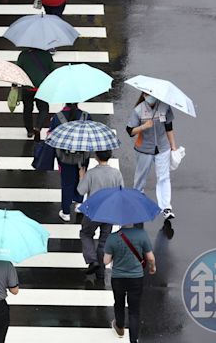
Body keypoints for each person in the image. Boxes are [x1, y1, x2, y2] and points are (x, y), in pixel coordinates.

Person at [126, 92, 177, 220]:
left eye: (152, 95)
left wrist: (173, 146)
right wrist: (144, 126)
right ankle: (137, 204)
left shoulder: (164, 107)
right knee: (140, 178)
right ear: (143, 96)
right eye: (147, 95)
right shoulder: (138, 110)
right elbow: (130, 131)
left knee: (164, 177)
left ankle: (166, 207)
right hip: (144, 149)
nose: (150, 97)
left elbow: (169, 127)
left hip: (162, 148)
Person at [104, 224, 156, 343]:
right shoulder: (142, 235)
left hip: (118, 278)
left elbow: (106, 261)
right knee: (134, 310)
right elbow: (151, 258)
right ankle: (133, 340)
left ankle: (120, 327)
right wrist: (152, 268)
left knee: (119, 303)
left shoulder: (112, 237)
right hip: (136, 278)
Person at [78, 150, 124, 279]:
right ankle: (101, 271)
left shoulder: (91, 173)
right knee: (104, 241)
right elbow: (121, 191)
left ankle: (92, 260)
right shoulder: (116, 173)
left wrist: (82, 176)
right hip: (109, 211)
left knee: (86, 233)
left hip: (93, 210)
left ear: (96, 156)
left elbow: (80, 191)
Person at [48, 103, 91, 222]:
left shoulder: (58, 117)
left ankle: (66, 211)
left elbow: (51, 137)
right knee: (81, 179)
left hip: (64, 157)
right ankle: (79, 203)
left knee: (67, 183)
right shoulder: (86, 116)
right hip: (82, 156)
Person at [16, 48, 55, 140]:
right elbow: (52, 70)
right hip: (42, 87)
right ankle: (38, 127)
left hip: (27, 87)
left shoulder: (23, 55)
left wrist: (15, 85)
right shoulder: (46, 55)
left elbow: (18, 71)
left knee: (27, 109)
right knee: (43, 109)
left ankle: (29, 130)